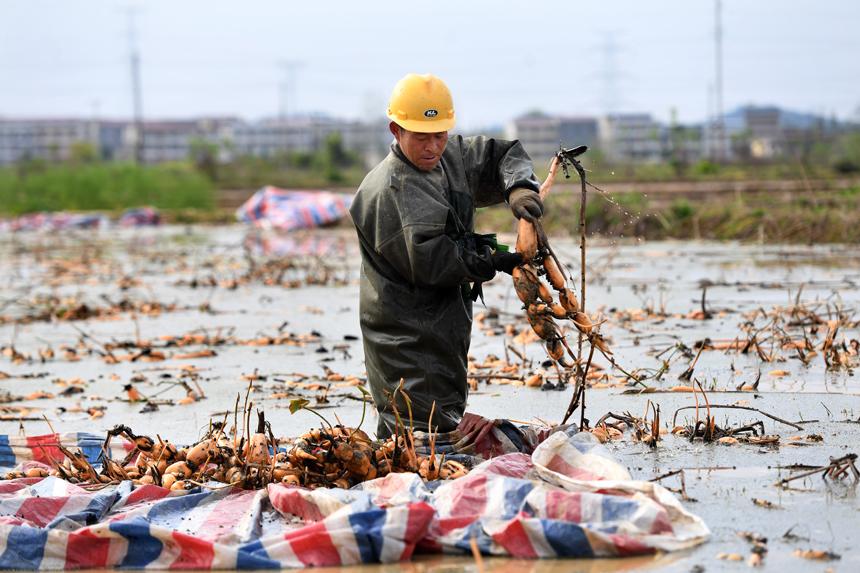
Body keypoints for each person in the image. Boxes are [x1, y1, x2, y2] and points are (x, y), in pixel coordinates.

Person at [349, 73, 543, 438]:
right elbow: (432, 259)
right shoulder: (391, 188)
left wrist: (518, 187)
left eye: (439, 135)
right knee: (416, 435)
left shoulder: (451, 157)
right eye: (422, 137)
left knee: (444, 423)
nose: (433, 147)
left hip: (444, 326)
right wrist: (495, 257)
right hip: (404, 337)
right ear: (396, 130)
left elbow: (503, 155)